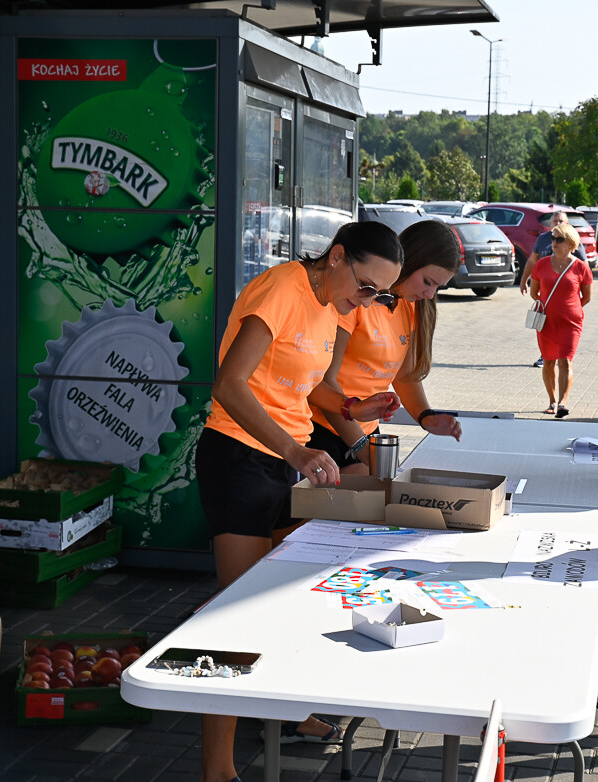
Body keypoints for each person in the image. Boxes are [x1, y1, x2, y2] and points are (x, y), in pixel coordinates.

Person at [195, 221, 404, 782]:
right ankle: (218, 769)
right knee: (234, 617)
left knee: (291, 598)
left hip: (285, 462)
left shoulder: (333, 305)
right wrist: (294, 450)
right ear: (336, 257)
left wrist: (356, 408)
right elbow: (230, 385)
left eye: (380, 294)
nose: (369, 301)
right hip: (239, 459)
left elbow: (308, 386)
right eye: (366, 287)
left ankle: (290, 708)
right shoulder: (282, 288)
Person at [310, 219, 464, 470]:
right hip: (324, 430)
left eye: (438, 287)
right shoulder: (356, 299)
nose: (430, 294)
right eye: (428, 281)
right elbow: (324, 381)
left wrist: (426, 417)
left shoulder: (408, 306)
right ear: (410, 259)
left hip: (364, 432)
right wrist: (360, 446)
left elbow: (404, 375)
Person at [528, 222, 593, 419]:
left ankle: (563, 403)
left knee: (565, 360)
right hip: (546, 321)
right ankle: (552, 401)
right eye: (552, 238)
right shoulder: (541, 264)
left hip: (571, 322)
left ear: (570, 243)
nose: (554, 243)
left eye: (559, 239)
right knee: (548, 361)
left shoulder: (581, 267)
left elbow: (587, 297)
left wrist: (569, 309)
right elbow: (534, 293)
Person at [520, 210, 585, 367]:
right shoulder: (543, 239)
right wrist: (524, 279)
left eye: (561, 221)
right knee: (545, 325)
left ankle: (561, 355)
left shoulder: (572, 240)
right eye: (555, 221)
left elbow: (583, 264)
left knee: (562, 328)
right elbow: (532, 260)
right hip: (546, 291)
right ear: (550, 224)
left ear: (567, 223)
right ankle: (546, 355)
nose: (558, 224)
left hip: (566, 294)